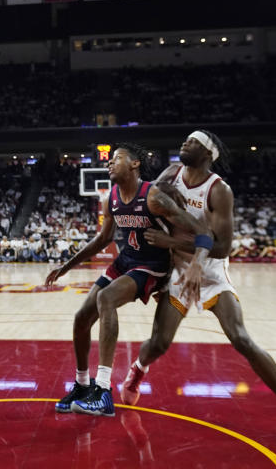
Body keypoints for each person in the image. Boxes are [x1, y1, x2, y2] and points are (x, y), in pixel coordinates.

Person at [122, 131, 276, 444]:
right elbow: (153, 197)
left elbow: (224, 246)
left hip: (211, 272)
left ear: (208, 153)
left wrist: (174, 242)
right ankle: (137, 369)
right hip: (180, 271)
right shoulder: (171, 173)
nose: (185, 143)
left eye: (193, 142)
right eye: (185, 140)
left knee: (241, 338)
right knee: (159, 342)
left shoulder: (219, 190)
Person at [45, 145, 212, 417]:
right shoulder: (110, 197)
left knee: (106, 298)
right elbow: (103, 240)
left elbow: (203, 232)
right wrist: (67, 266)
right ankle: (82, 384)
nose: (110, 164)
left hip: (152, 266)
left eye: (117, 159)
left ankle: (103, 391)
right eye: (109, 161)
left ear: (135, 164)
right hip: (126, 261)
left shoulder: (154, 197)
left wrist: (195, 264)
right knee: (81, 317)